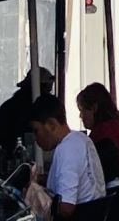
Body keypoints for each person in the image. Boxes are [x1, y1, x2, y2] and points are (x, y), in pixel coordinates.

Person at [29, 93, 107, 221]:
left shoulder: (66, 149)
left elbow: (66, 208)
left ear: (51, 125)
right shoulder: (82, 139)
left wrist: (40, 198)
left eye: (36, 131)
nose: (36, 139)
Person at [0, 69, 56, 166]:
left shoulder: (9, 105)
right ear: (37, 88)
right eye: (47, 89)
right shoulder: (19, 109)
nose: (49, 94)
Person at [76, 83, 119, 190]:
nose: (80, 116)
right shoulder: (118, 126)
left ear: (94, 108)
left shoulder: (103, 131)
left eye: (82, 110)